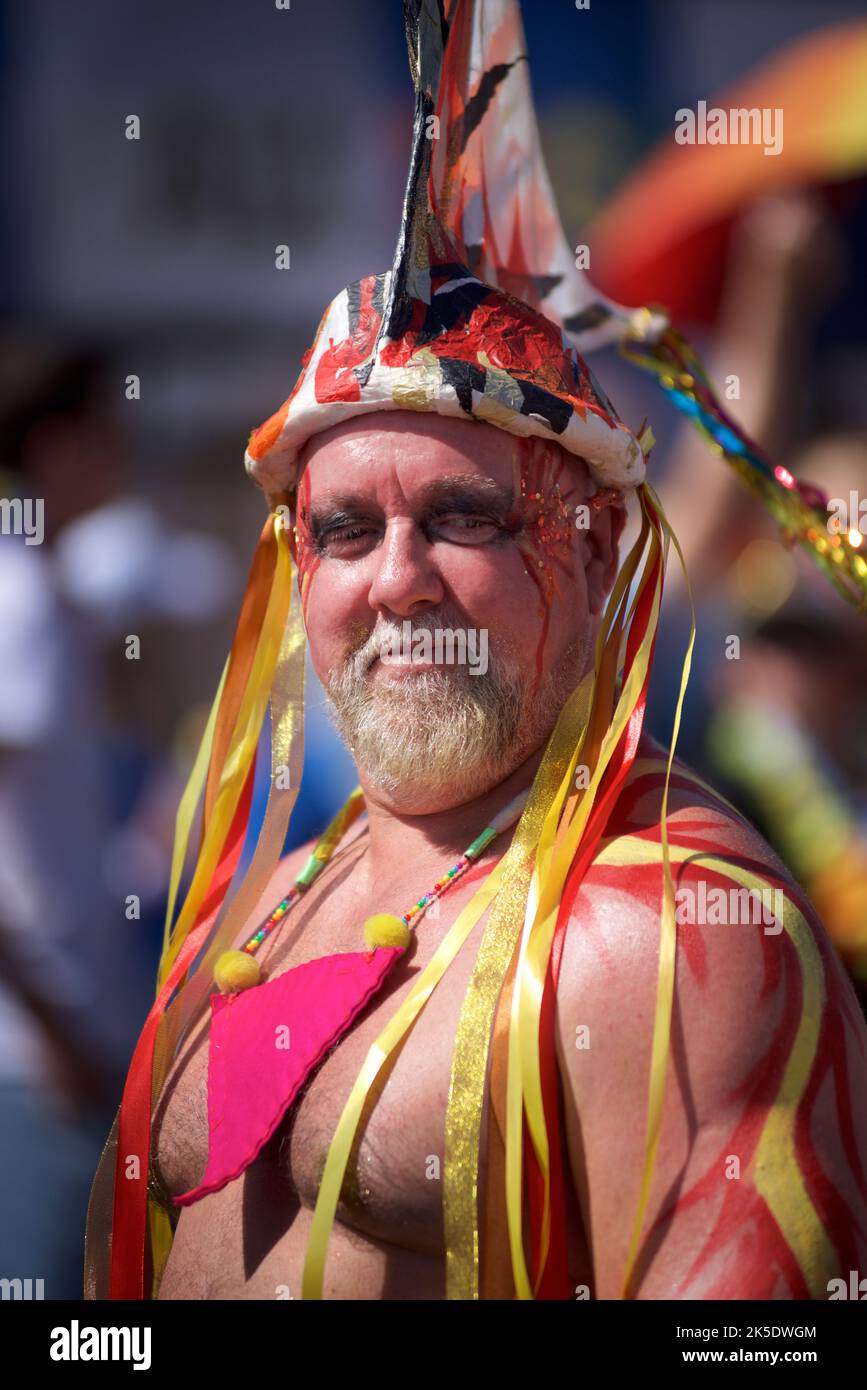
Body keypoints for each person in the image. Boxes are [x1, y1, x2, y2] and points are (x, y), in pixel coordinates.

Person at [84, 0, 867, 1301]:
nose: (398, 581)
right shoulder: (279, 886)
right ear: (295, 561)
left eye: (464, 515)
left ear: (598, 544)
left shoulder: (677, 942)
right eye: (344, 530)